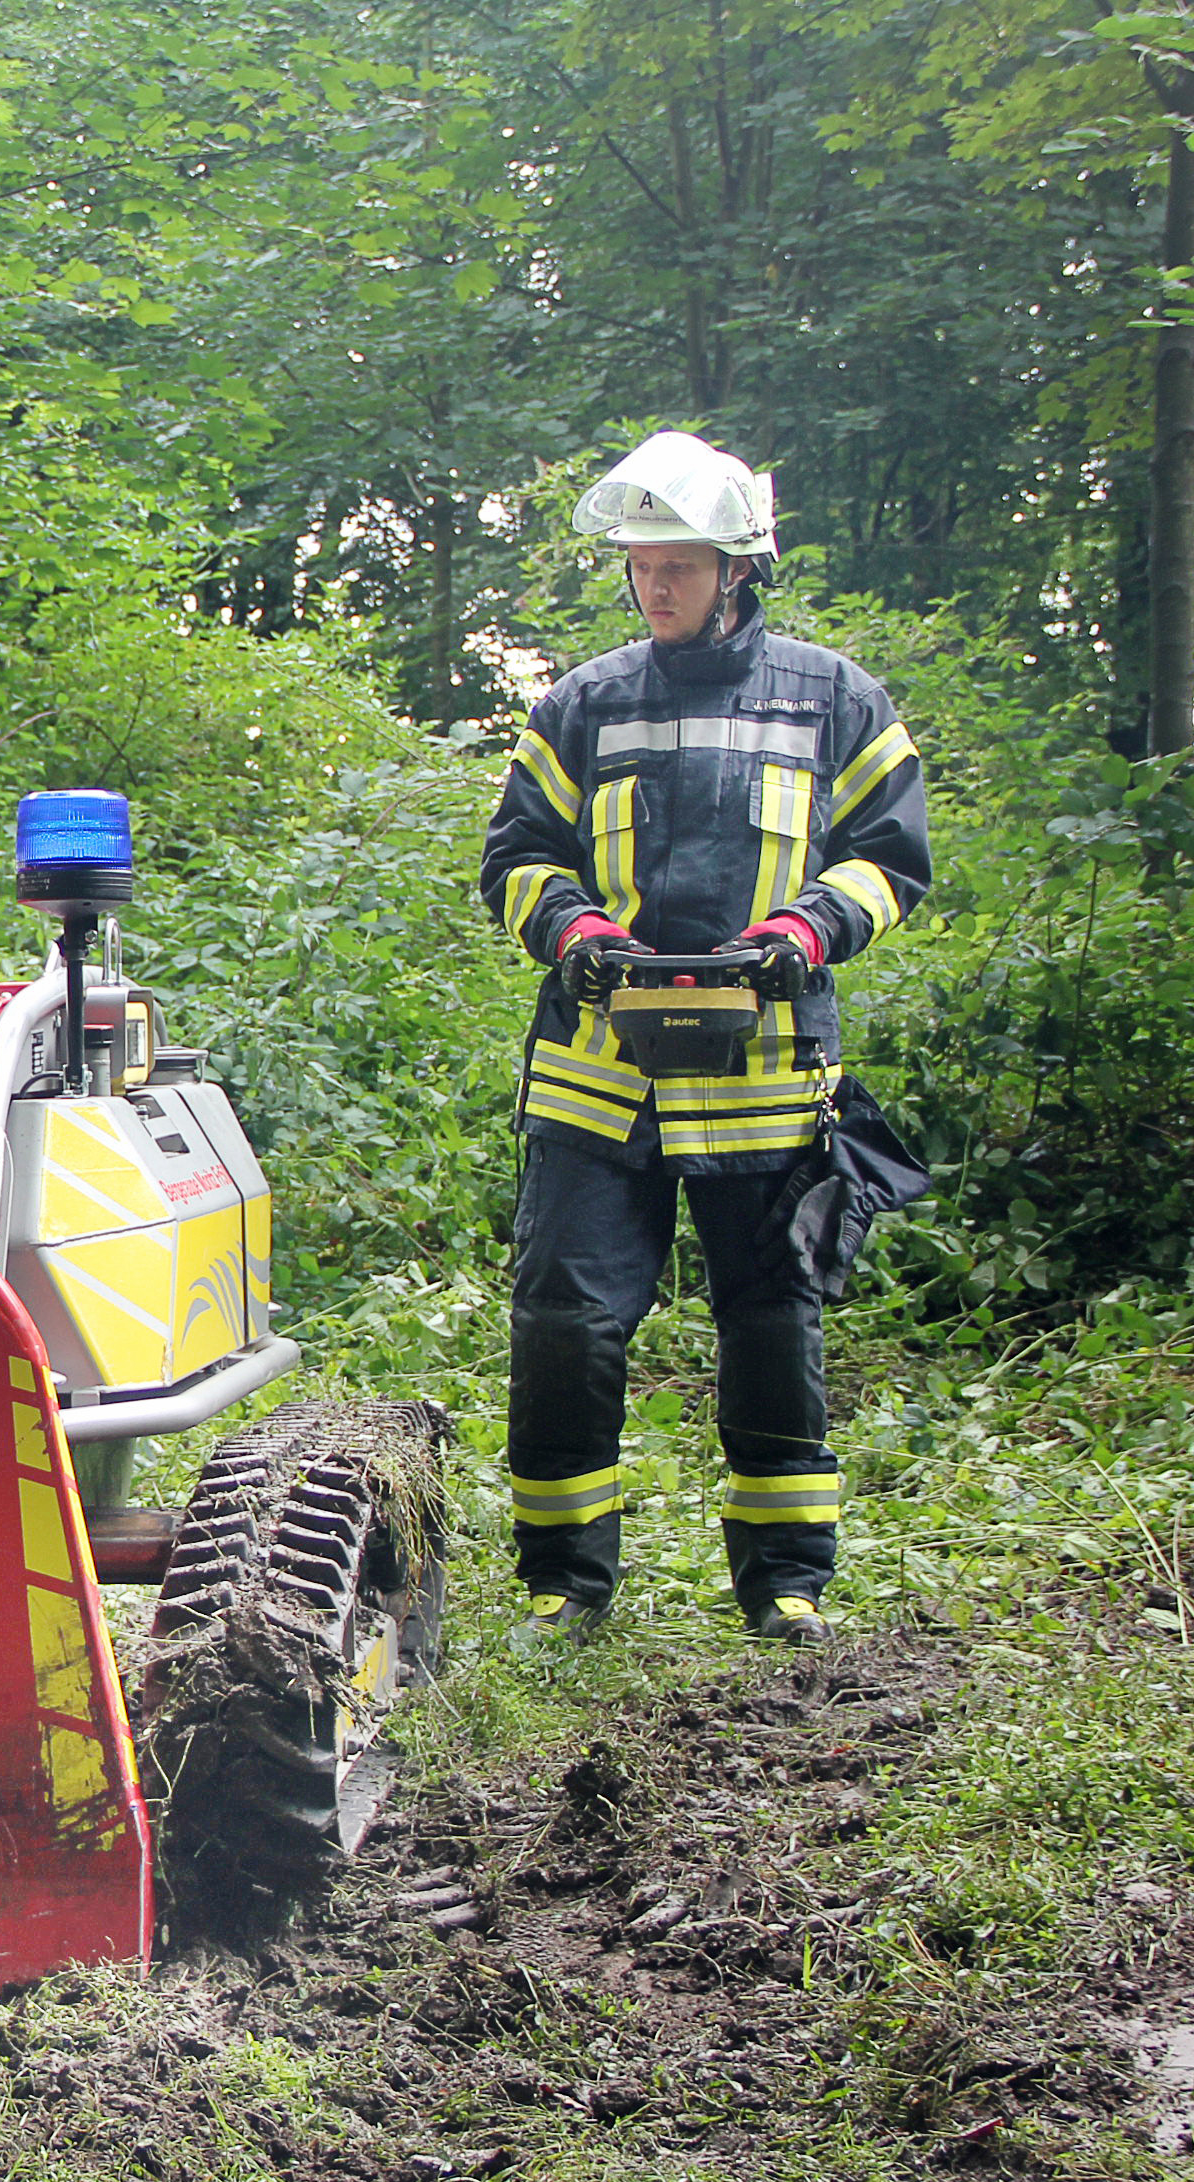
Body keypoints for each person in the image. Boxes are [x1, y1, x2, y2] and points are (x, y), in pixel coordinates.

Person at [477, 431, 933, 1647]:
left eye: (676, 565)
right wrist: (573, 931)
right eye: (640, 565)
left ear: (738, 569)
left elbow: (892, 859)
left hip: (767, 1080)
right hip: (598, 1081)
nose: (655, 585)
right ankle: (564, 1588)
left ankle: (785, 1584)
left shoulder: (836, 700)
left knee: (773, 1326)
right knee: (565, 1326)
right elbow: (516, 858)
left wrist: (807, 930)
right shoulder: (581, 703)